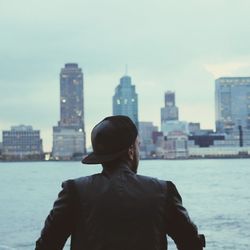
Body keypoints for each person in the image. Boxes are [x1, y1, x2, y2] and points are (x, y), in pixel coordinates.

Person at [35, 115, 205, 250]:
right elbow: (191, 244)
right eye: (138, 146)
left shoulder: (74, 191)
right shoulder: (163, 191)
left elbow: (47, 246)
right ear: (131, 150)